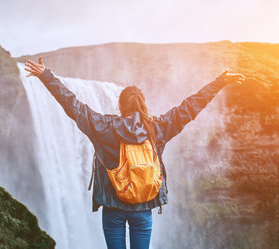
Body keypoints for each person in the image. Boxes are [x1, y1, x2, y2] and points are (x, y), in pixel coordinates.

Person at [25, 57, 245, 249]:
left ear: (120, 106)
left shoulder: (103, 127)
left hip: (113, 207)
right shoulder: (158, 128)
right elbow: (189, 108)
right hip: (143, 207)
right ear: (143, 105)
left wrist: (46, 75)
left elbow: (73, 105)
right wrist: (221, 81)